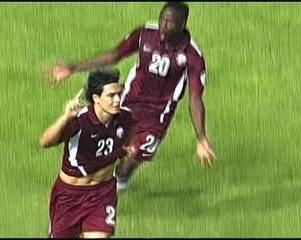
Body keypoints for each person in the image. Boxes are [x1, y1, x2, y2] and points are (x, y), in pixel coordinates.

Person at [47, 2, 217, 190]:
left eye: (169, 22)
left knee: (130, 160)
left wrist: (201, 137)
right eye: (162, 19)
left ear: (182, 24)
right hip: (128, 102)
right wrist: (72, 68)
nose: (163, 25)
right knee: (103, 143)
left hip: (156, 117)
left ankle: (117, 184)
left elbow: (195, 98)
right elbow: (113, 56)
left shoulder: (192, 56)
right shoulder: (145, 34)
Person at [40, 69, 132, 238]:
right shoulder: (81, 121)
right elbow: (45, 141)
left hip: (102, 193)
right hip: (70, 196)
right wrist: (66, 117)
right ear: (96, 98)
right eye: (111, 96)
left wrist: (122, 151)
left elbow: (122, 140)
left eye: (120, 94)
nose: (118, 100)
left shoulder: (125, 118)